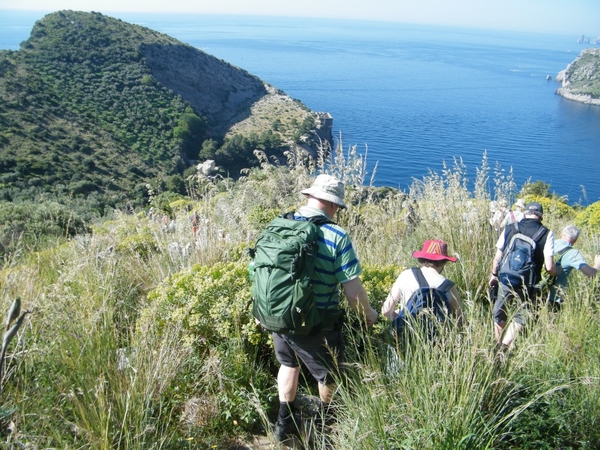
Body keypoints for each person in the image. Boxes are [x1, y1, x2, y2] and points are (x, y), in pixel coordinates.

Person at [272, 174, 378, 442]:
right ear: (333, 205)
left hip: (277, 314)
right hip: (315, 321)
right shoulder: (336, 235)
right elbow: (353, 292)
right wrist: (369, 314)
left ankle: (284, 426)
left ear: (310, 197)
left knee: (288, 364)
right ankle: (325, 428)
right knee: (327, 375)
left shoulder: (278, 225)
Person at [489, 201, 555, 350]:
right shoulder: (546, 233)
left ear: (525, 213)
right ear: (541, 216)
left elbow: (498, 257)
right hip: (529, 283)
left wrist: (494, 274)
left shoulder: (510, 228)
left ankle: (496, 345)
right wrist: (555, 273)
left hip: (506, 278)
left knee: (500, 312)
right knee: (521, 315)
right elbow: (549, 267)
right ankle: (505, 347)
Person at [382, 239, 462, 324]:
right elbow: (460, 319)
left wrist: (401, 320)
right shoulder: (448, 286)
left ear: (422, 258)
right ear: (444, 262)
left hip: (405, 334)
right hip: (437, 336)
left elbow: (386, 310)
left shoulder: (405, 275)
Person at [547, 224, 600, 309]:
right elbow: (591, 274)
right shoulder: (573, 253)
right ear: (575, 240)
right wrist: (597, 264)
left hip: (537, 291)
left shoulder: (549, 244)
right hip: (554, 298)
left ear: (561, 234)